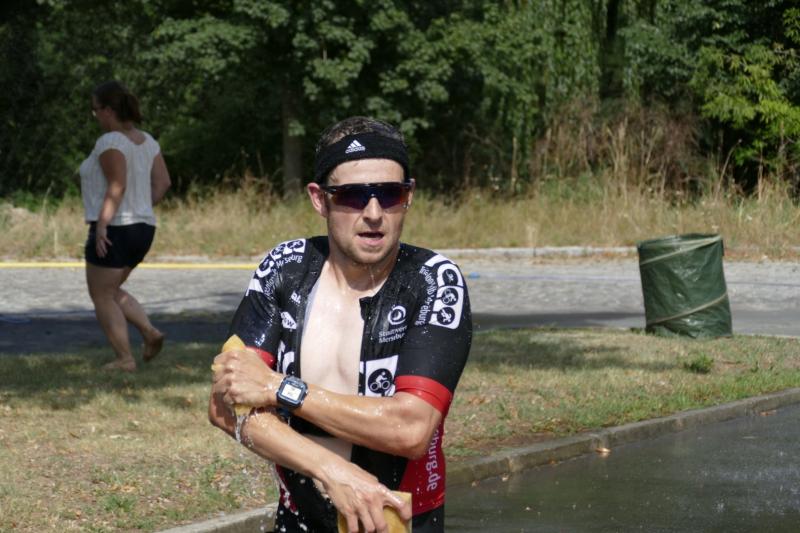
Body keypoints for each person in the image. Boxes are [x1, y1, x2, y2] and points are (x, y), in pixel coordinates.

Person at [209, 116, 472, 533]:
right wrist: (332, 470)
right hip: (300, 519)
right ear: (320, 200)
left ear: (409, 196)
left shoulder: (433, 280)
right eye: (352, 196)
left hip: (394, 523)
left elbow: (410, 429)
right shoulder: (284, 268)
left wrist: (279, 387)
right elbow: (226, 404)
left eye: (390, 194)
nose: (374, 214)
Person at [79, 80, 171, 372]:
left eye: (96, 110)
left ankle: (124, 358)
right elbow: (163, 183)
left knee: (101, 294)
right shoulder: (148, 141)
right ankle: (150, 333)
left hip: (115, 227)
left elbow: (117, 185)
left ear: (108, 110)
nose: (95, 116)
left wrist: (102, 225)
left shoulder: (110, 142)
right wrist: (142, 207)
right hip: (143, 228)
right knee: (111, 289)